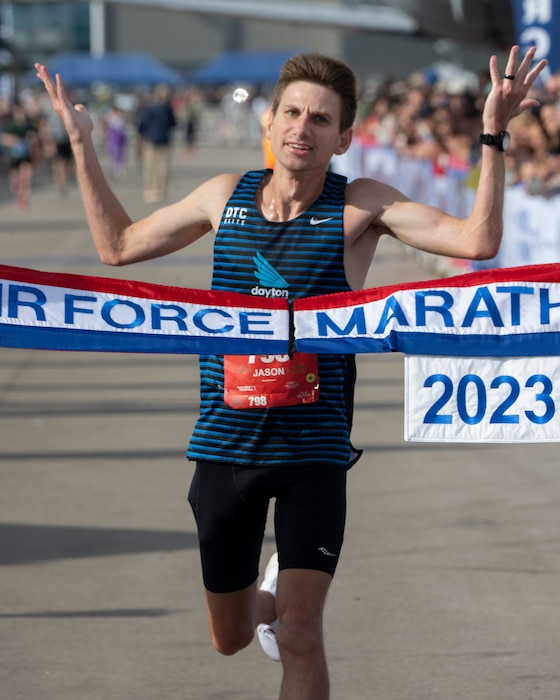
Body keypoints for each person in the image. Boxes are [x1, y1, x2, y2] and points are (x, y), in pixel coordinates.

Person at [35, 44, 545, 700]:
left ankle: (288, 610)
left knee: (304, 635)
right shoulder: (225, 198)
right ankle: (264, 601)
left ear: (343, 140)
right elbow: (117, 247)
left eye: (321, 119)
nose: (303, 127)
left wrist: (492, 134)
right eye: (294, 113)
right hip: (226, 447)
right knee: (233, 637)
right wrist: (81, 145)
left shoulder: (360, 207)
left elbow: (477, 242)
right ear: (268, 124)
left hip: (314, 449)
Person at [136, 83, 177, 203]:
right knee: (163, 168)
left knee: (150, 167)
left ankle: (150, 190)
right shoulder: (167, 109)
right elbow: (173, 124)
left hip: (150, 141)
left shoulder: (149, 109)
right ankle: (161, 190)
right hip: (164, 140)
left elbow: (141, 126)